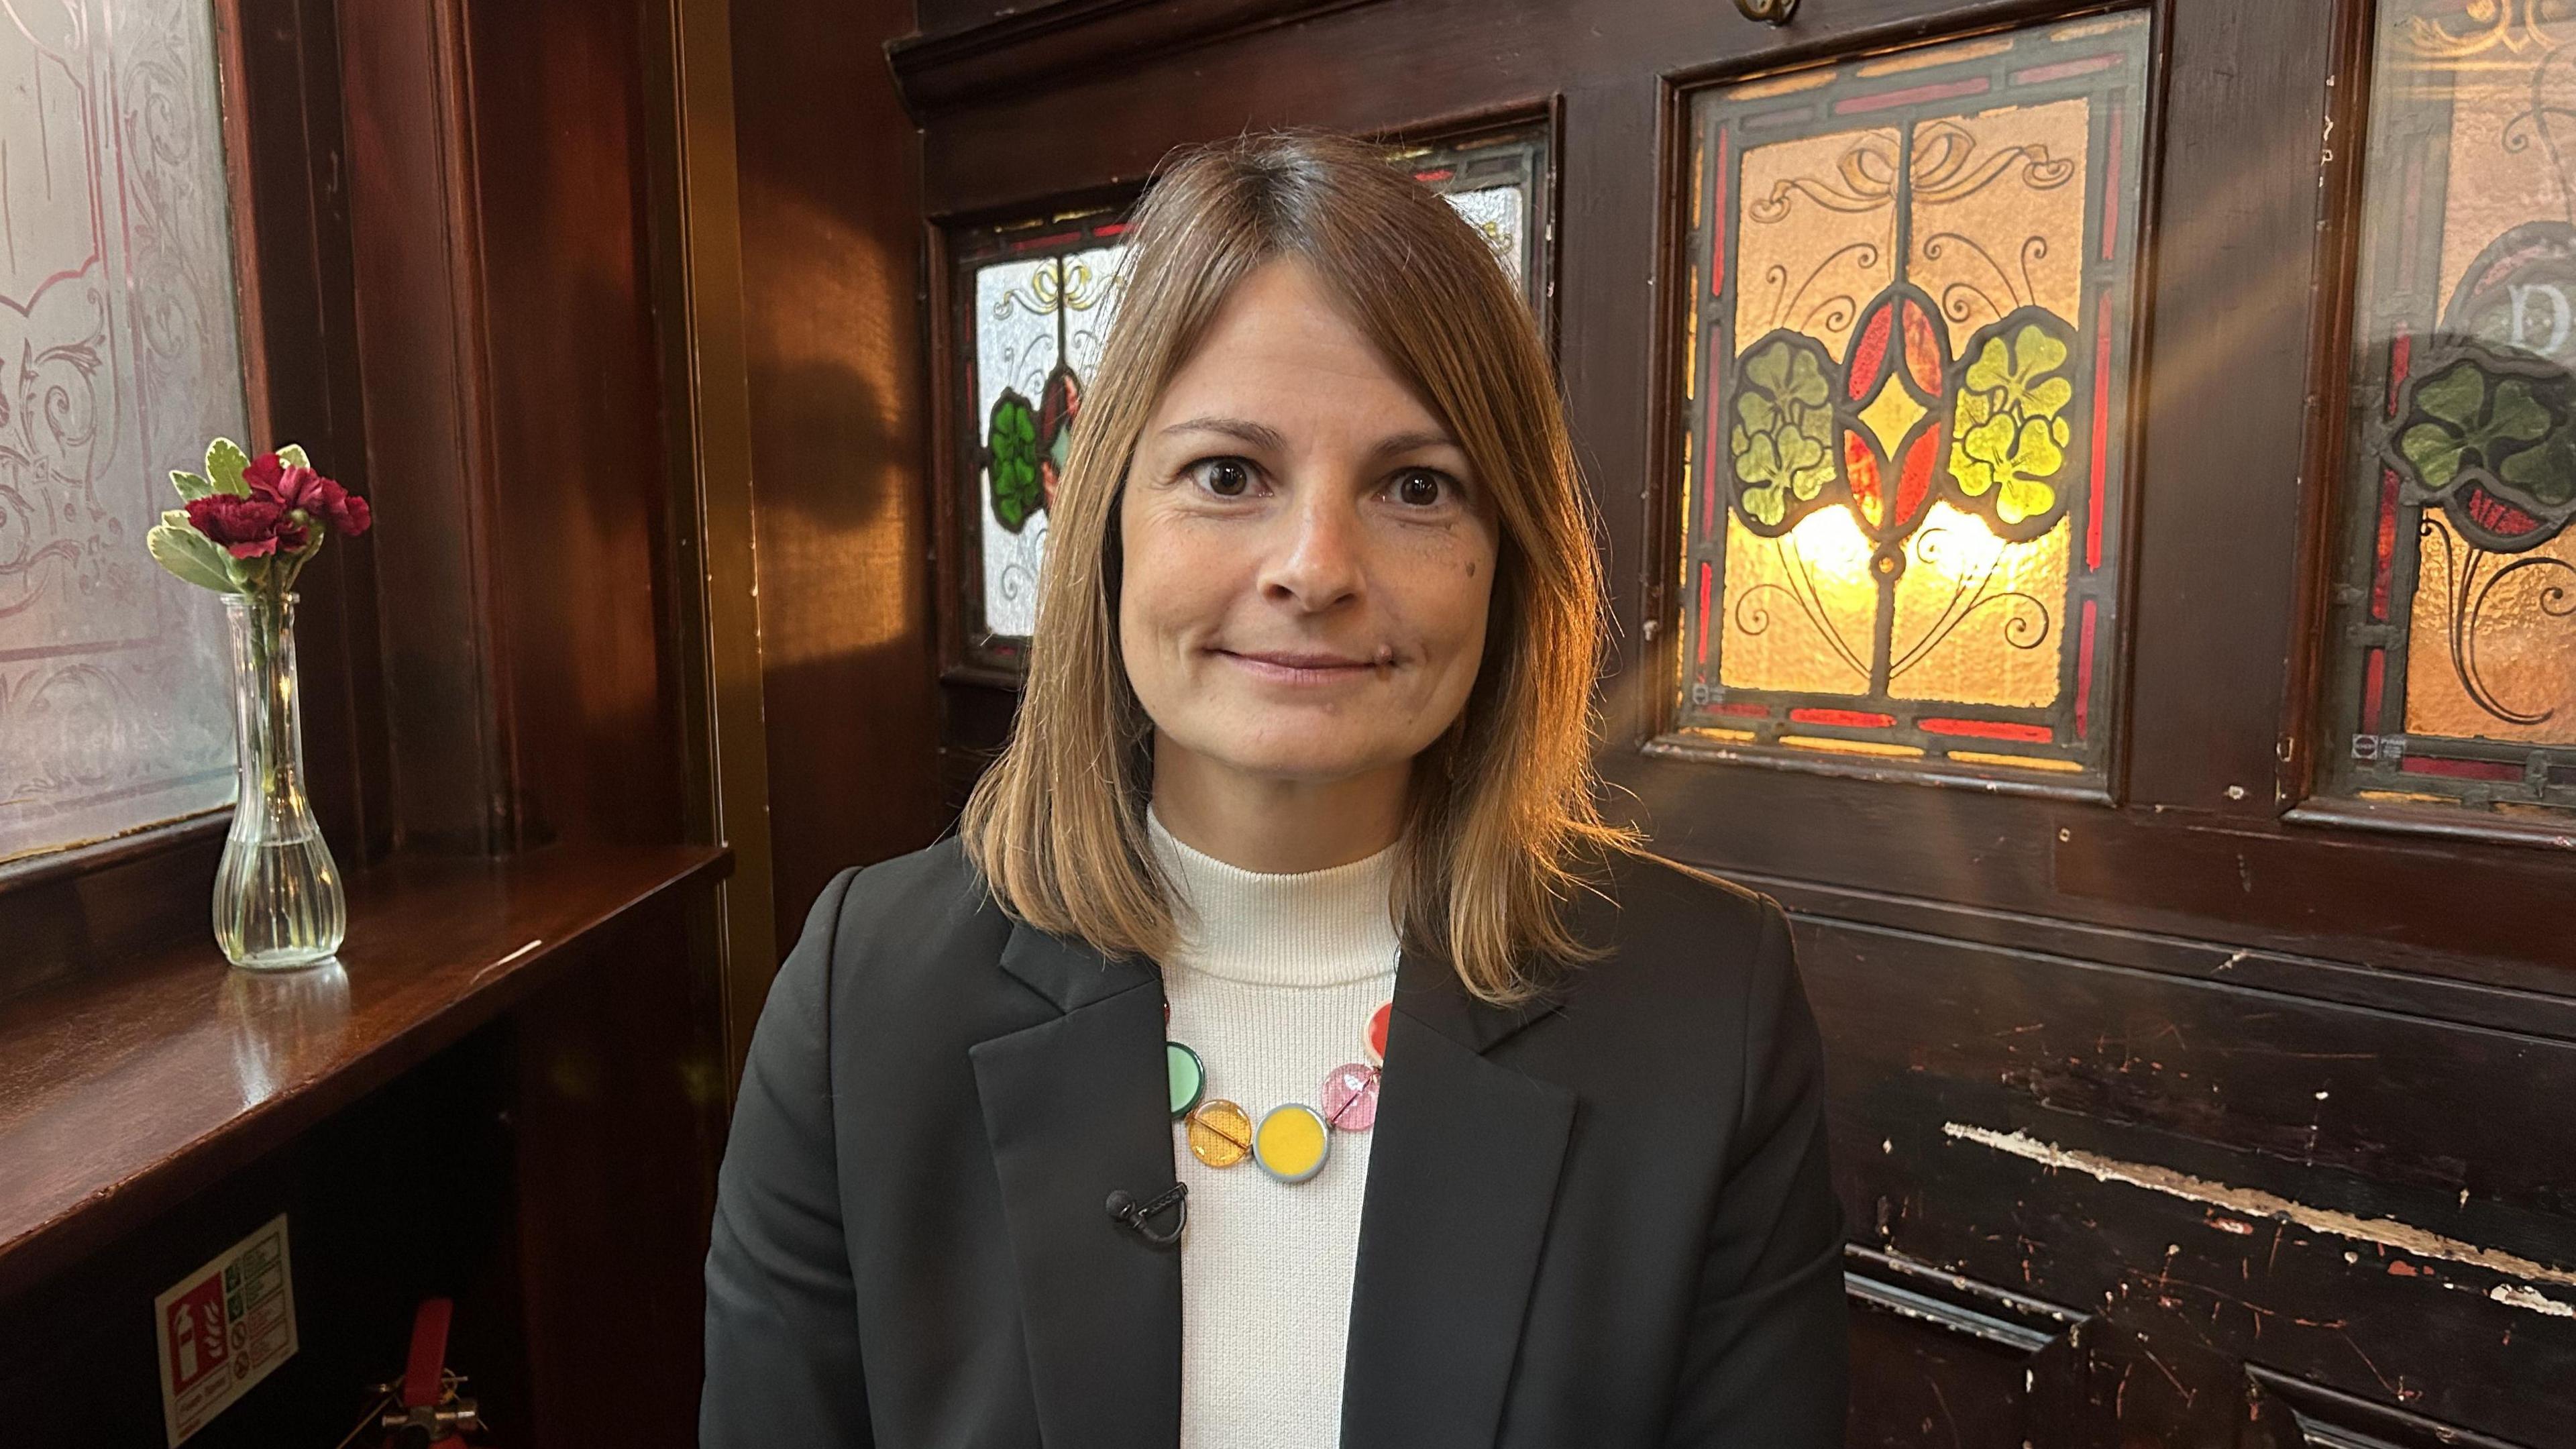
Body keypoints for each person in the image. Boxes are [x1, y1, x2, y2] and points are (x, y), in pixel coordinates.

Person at [700, 128, 1848, 1448]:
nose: (1316, 566)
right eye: (1228, 475)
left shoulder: (1710, 1007)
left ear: (1507, 556)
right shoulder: (865, 998)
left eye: (1416, 486)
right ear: (1106, 525)